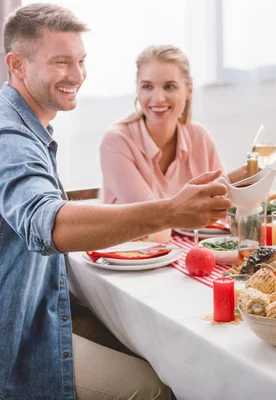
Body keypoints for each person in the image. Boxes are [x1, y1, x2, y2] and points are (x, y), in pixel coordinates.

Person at [0, 4, 231, 399]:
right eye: (61, 62)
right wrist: (172, 209)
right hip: (20, 338)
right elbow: (49, 225)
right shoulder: (11, 137)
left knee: (161, 351)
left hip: (43, 310)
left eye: (81, 61)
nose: (77, 75)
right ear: (17, 65)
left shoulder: (28, 126)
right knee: (158, 387)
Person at [100, 45, 244, 242]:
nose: (158, 98)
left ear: (188, 90)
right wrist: (227, 184)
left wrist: (239, 189)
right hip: (129, 261)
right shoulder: (116, 142)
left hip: (187, 253)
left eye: (169, 86)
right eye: (147, 86)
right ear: (137, 89)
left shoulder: (199, 137)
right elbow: (153, 224)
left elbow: (221, 211)